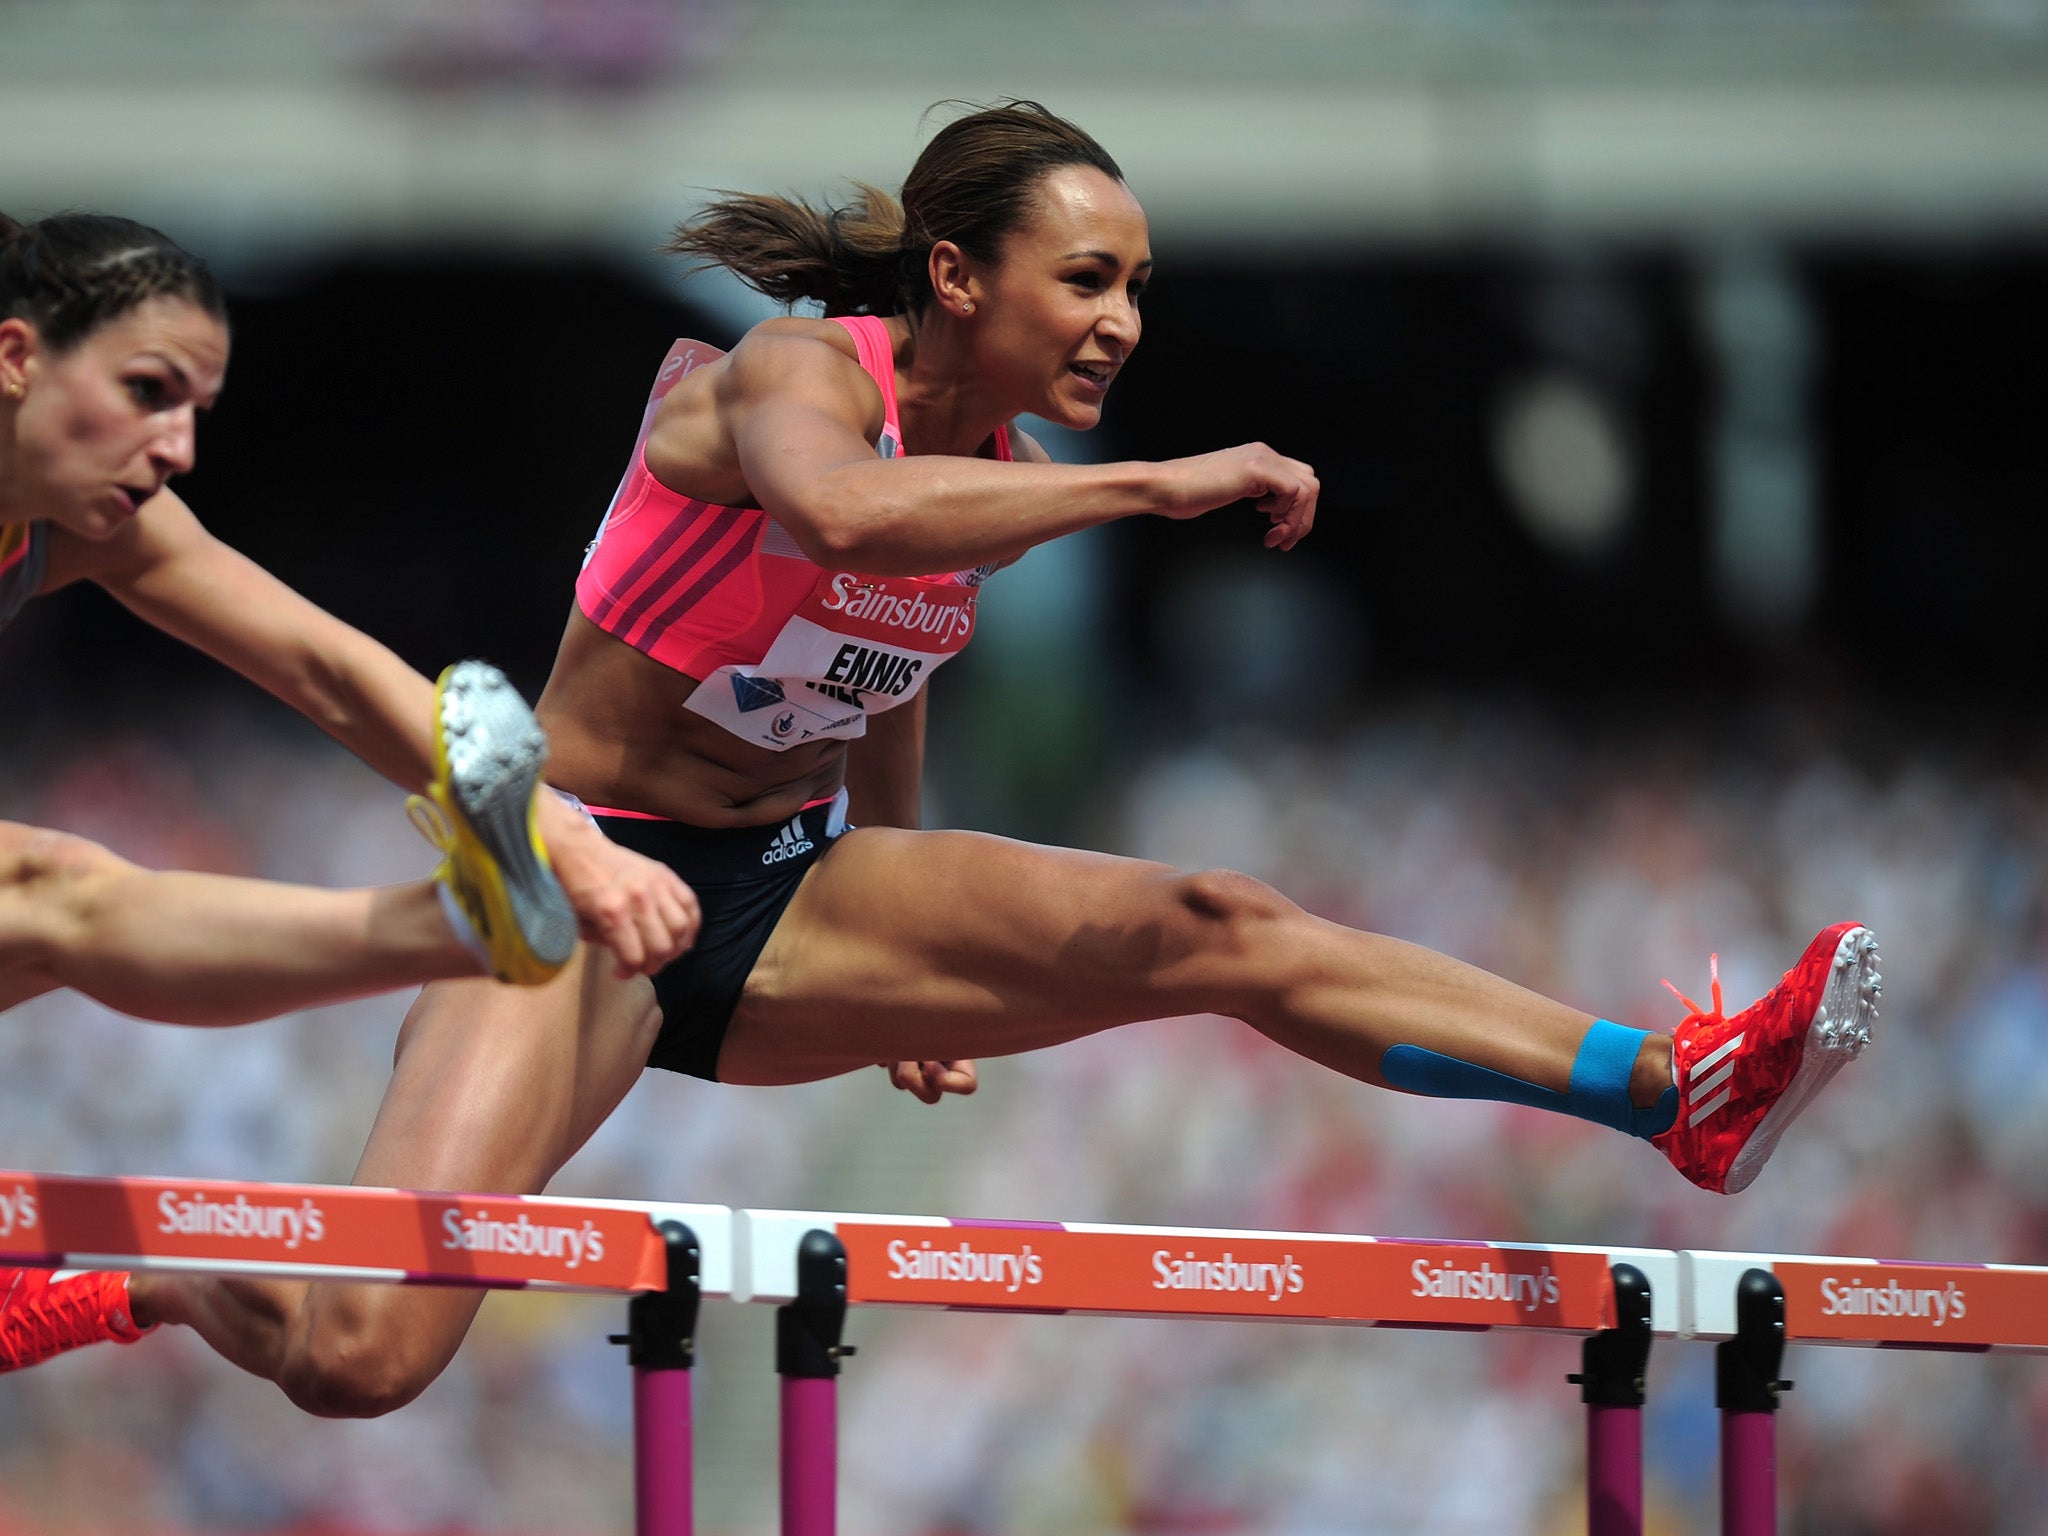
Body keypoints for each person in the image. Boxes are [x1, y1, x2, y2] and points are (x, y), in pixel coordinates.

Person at [2, 104, 1877, 1393]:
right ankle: (150, 1280)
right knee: (361, 1361)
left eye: (1137, 289)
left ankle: (1666, 1087)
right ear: (961, 278)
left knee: (1213, 914)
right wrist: (1161, 483)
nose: (1120, 322)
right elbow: (839, 531)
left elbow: (872, 676)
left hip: (782, 885)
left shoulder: (998, 470)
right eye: (1086, 282)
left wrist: (891, 921)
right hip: (581, 877)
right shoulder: (794, 373)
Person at [0, 212, 699, 1352]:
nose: (175, 446)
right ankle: (456, 926)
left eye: (194, 412)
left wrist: (572, 842)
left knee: (48, 909)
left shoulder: (89, 521)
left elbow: (327, 670)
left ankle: (470, 923)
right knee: (48, 888)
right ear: (18, 358)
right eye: (146, 391)